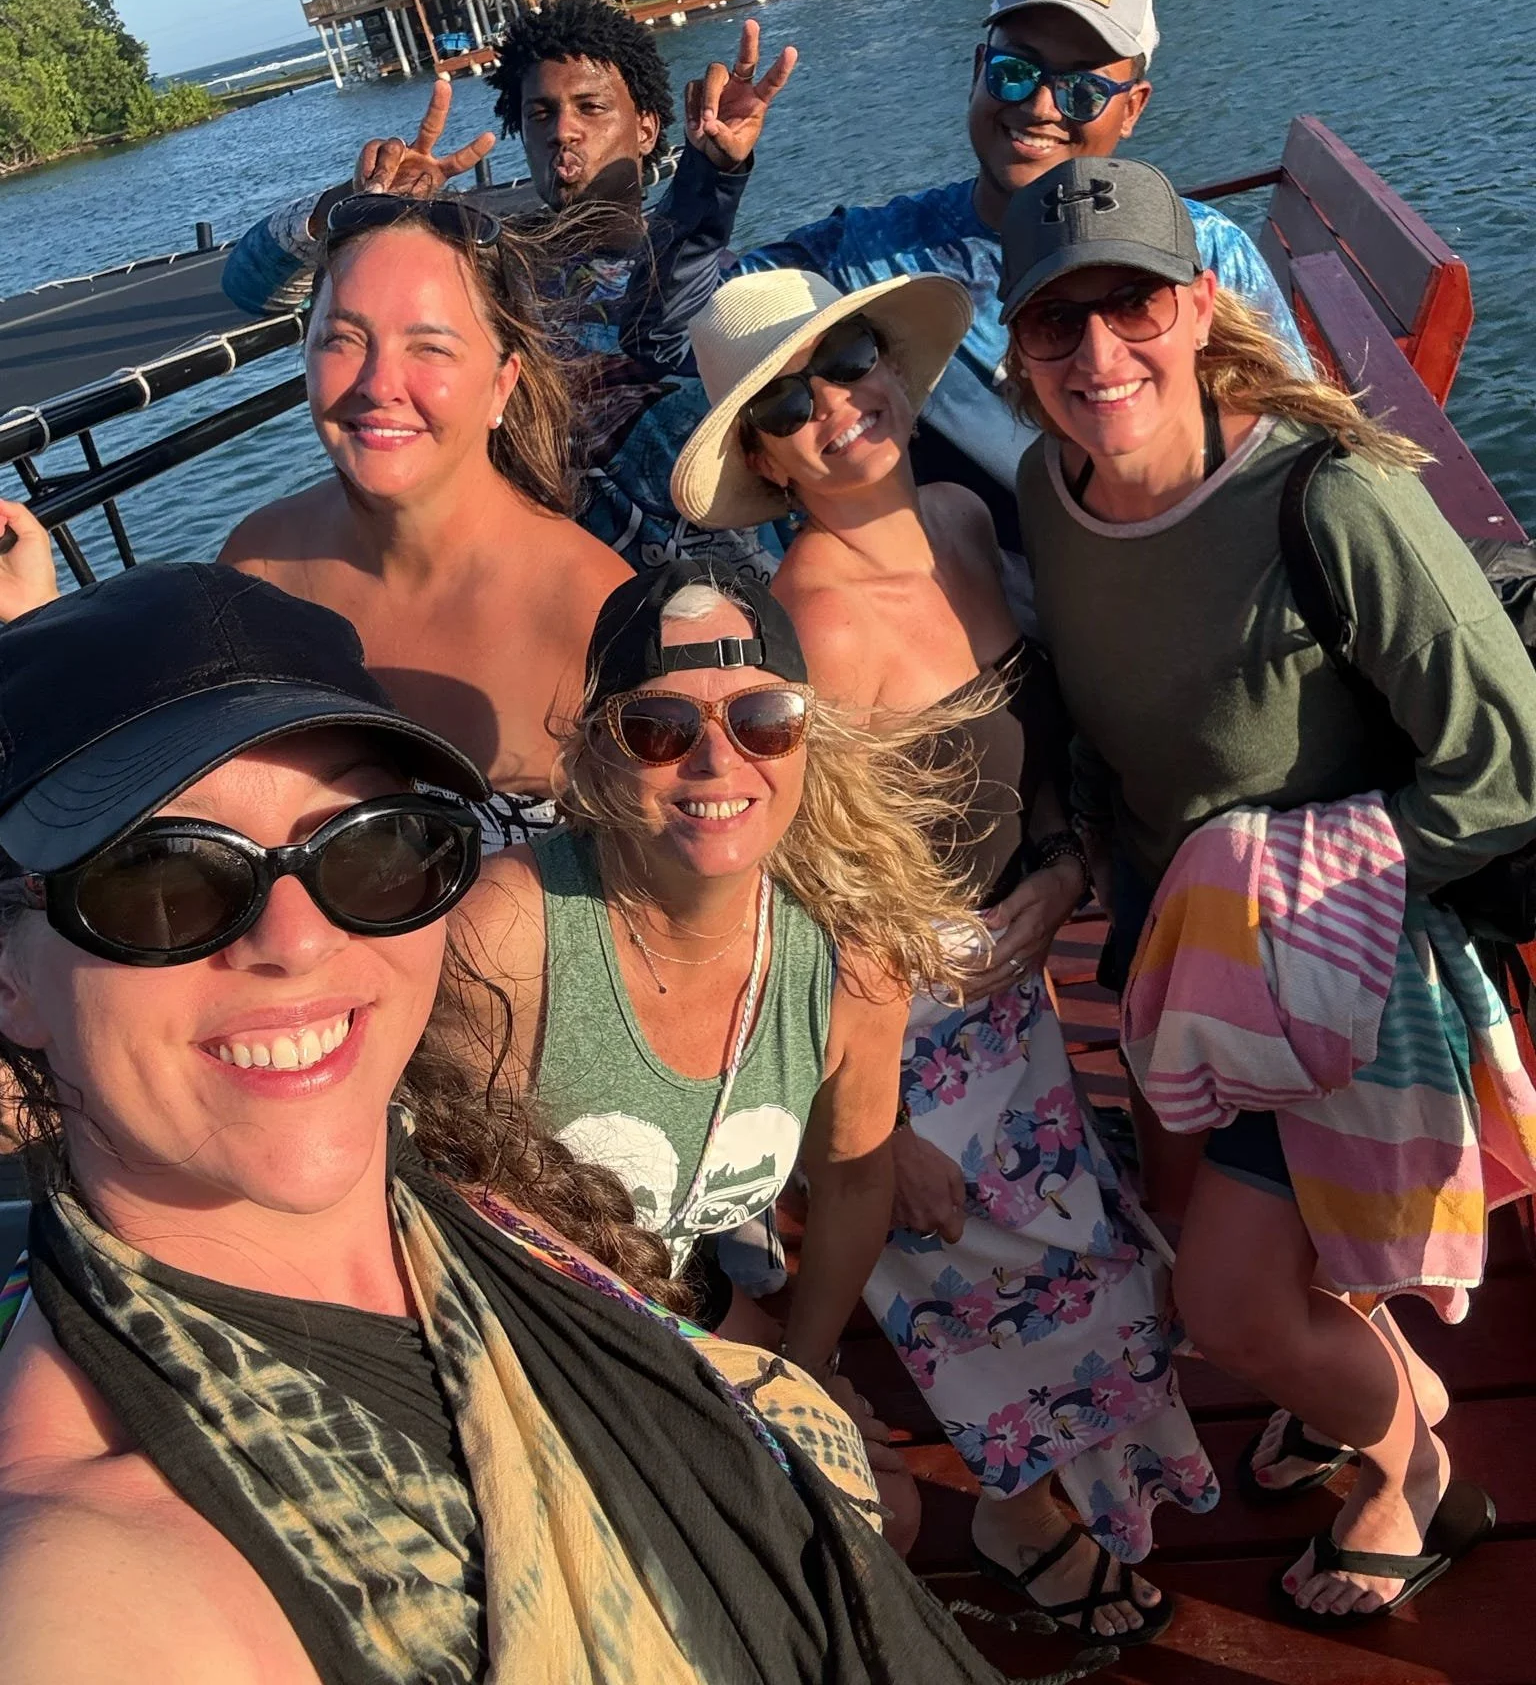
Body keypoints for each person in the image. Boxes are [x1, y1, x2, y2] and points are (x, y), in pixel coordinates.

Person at [0, 561, 1006, 1684]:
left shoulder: (486, 1225)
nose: (295, 936)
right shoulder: (95, 1556)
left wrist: (806, 1360)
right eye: (162, 875)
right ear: (11, 971)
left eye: (370, 844)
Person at [1006, 156, 1536, 1626]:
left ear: (1196, 307)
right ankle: (1370, 1394)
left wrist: (1308, 869)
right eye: (1057, 326)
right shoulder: (1057, 499)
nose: (1100, 355)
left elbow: (1515, 764)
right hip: (1193, 963)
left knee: (1228, 1309)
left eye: (1132, 308)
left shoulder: (1328, 495)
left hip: (1350, 960)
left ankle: (1410, 1466)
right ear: (1018, 352)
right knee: (1236, 1265)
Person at [670, 265, 1217, 1649]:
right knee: (976, 1285)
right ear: (762, 460)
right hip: (892, 1024)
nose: (836, 409)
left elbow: (1032, 762)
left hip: (1008, 984)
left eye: (850, 366)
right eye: (786, 406)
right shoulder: (798, 630)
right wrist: (873, 1130)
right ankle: (1018, 1521)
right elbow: (777, 905)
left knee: (1075, 1261)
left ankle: (1065, 1492)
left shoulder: (971, 520)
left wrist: (1067, 864)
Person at [450, 556, 974, 1383]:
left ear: (808, 737)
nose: (718, 761)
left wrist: (801, 1377)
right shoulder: (506, 937)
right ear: (600, 751)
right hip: (534, 1339)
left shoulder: (851, 956)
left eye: (763, 720)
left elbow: (852, 1186)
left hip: (678, 1302)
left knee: (887, 1511)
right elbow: (469, 1235)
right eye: (660, 728)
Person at [731, 0, 1308, 547]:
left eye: (1082, 92)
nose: (1039, 109)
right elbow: (695, 321)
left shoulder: (1203, 252)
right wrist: (716, 174)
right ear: (979, 69)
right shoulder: (874, 255)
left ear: (1133, 108)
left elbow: (1295, 447)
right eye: (1015, 73)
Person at [221, 0, 798, 573]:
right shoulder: (487, 270)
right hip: (545, 596)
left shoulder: (728, 285)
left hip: (735, 595)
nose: (563, 131)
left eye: (590, 107)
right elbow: (250, 287)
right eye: (540, 114)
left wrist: (712, 176)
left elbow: (667, 294)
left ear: (646, 129)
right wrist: (357, 212)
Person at [214, 196, 621, 851]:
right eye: (343, 339)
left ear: (501, 384)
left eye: (430, 347)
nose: (379, 383)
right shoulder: (256, 567)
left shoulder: (593, 622)